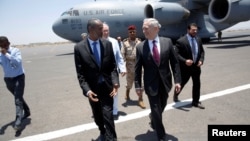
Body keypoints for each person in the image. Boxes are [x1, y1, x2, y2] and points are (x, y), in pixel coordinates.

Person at [134, 18, 181, 141]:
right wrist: (138, 85)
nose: (143, 30)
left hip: (165, 82)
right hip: (150, 84)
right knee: (155, 108)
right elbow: (137, 68)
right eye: (143, 28)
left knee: (162, 104)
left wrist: (177, 81)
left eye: (146, 28)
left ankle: (153, 118)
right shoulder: (140, 47)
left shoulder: (168, 42)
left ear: (156, 29)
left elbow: (175, 63)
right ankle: (161, 135)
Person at [74, 18, 119, 141]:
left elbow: (113, 67)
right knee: (98, 116)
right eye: (100, 28)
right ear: (91, 29)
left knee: (108, 115)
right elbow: (80, 74)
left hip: (107, 88)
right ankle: (102, 131)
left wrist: (115, 83)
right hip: (93, 90)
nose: (103, 30)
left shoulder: (107, 44)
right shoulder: (79, 48)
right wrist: (87, 91)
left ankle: (111, 138)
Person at [0, 36, 31, 131]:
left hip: (19, 78)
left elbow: (18, 62)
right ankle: (26, 111)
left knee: (17, 99)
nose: (3, 47)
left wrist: (7, 55)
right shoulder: (0, 54)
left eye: (4, 44)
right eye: (1, 45)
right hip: (8, 80)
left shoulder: (15, 51)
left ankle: (18, 122)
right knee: (18, 97)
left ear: (8, 43)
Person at [173, 23, 205, 109]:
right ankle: (175, 95)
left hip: (196, 67)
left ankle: (195, 102)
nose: (195, 31)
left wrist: (201, 60)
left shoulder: (198, 39)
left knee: (197, 84)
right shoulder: (181, 41)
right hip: (185, 67)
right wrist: (185, 61)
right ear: (188, 30)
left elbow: (202, 51)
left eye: (196, 30)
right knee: (182, 83)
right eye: (193, 30)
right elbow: (176, 54)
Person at [102, 22, 126, 120]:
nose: (106, 32)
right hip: (102, 72)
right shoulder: (97, 42)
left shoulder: (114, 42)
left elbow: (119, 57)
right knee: (103, 92)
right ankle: (104, 109)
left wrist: (122, 68)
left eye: (107, 30)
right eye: (104, 31)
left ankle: (115, 110)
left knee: (114, 91)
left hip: (113, 71)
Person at [121, 25, 146, 109]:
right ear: (128, 33)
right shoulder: (125, 43)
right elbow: (122, 55)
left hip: (139, 65)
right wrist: (123, 68)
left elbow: (143, 53)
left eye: (133, 32)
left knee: (141, 83)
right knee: (129, 82)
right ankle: (127, 92)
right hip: (129, 65)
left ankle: (140, 99)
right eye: (130, 32)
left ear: (136, 32)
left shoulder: (139, 42)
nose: (132, 33)